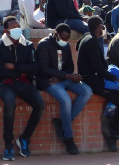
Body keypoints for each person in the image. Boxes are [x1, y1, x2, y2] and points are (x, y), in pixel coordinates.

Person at [0, 16, 44, 161]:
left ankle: (24, 138)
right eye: (13, 27)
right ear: (6, 30)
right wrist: (22, 70)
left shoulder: (27, 45)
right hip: (4, 83)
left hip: (24, 82)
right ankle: (8, 145)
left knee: (39, 104)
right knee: (10, 103)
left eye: (17, 26)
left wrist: (15, 67)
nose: (16, 29)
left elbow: (35, 68)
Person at [78, 16, 119, 152]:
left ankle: (111, 118)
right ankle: (113, 132)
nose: (104, 28)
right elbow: (97, 67)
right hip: (92, 81)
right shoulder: (91, 41)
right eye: (102, 25)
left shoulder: (89, 38)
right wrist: (113, 79)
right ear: (98, 27)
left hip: (95, 78)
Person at [36, 23, 93, 155]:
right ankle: (68, 138)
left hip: (61, 79)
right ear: (56, 34)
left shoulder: (66, 46)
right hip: (48, 81)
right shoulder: (44, 44)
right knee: (65, 100)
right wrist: (64, 75)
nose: (66, 41)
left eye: (67, 39)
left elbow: (70, 67)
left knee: (87, 91)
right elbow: (44, 69)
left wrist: (63, 76)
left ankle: (63, 123)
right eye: (63, 38)